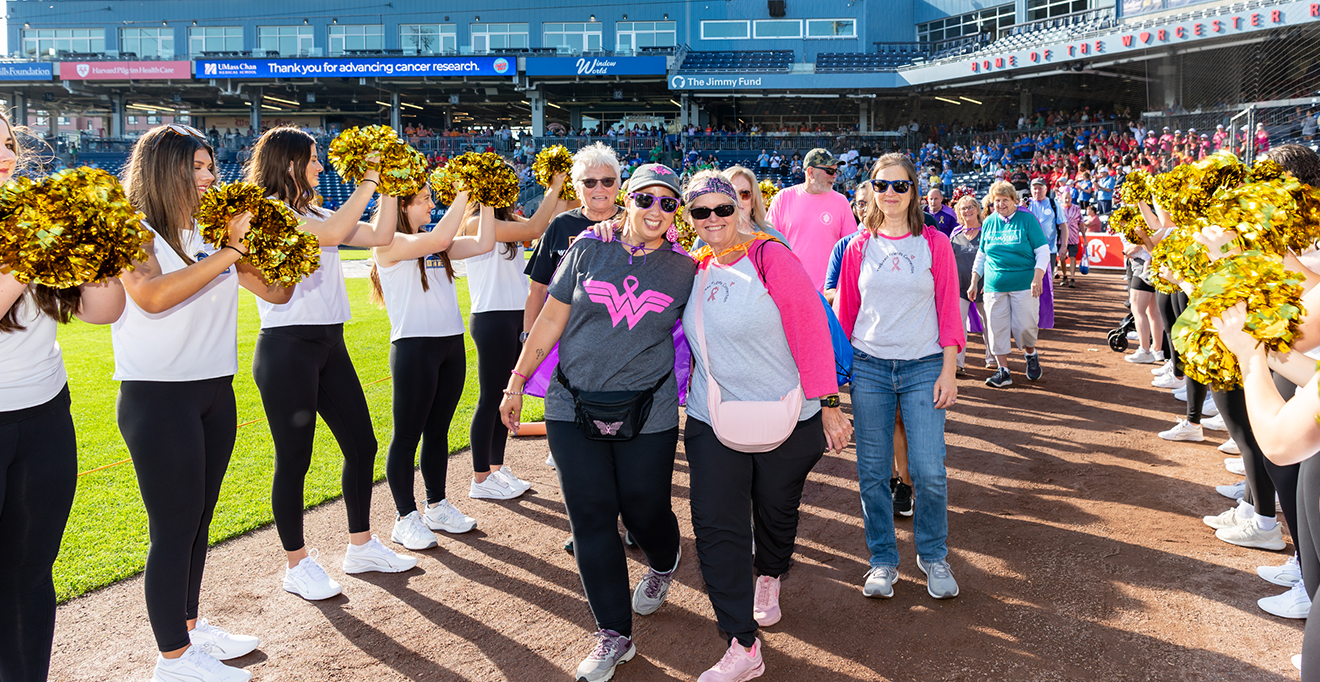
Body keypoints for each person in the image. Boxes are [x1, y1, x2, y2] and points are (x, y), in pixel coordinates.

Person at [499, 164, 695, 682]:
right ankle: (614, 634)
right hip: (572, 403)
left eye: (667, 203)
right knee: (589, 513)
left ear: (676, 212)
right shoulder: (587, 247)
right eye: (646, 199)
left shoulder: (686, 268)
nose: (656, 211)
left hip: (648, 407)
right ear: (626, 201)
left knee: (643, 508)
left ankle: (663, 562)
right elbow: (552, 318)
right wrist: (516, 382)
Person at [116, 124, 294, 681]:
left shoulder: (209, 236)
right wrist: (231, 250)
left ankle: (189, 630)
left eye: (210, 168)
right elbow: (150, 295)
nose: (209, 178)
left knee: (199, 518)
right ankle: (171, 660)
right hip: (157, 396)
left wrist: (264, 247)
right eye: (196, 168)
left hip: (216, 389)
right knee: (173, 524)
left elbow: (278, 292)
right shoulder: (134, 232)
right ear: (164, 172)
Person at [678, 172, 852, 681]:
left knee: (774, 511)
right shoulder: (693, 268)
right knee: (715, 526)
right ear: (688, 218)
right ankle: (741, 644)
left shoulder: (769, 256)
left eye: (722, 209)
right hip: (712, 416)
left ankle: (770, 573)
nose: (713, 220)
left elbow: (810, 327)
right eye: (700, 212)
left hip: (788, 413)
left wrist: (829, 403)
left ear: (740, 209)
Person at [245, 126, 416, 602]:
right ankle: (296, 564)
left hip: (329, 343)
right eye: (313, 159)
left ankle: (360, 545)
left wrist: (388, 184)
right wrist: (368, 178)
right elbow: (335, 234)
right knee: (294, 458)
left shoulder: (316, 209)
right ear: (289, 163)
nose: (320, 167)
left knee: (362, 444)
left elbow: (382, 234)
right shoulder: (266, 212)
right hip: (286, 347)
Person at [0, 114, 126, 682]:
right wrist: (34, 245)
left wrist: (97, 251)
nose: (5, 153)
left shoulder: (35, 218)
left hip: (44, 414)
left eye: (6, 141)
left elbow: (105, 312)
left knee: (29, 572)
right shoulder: (31, 229)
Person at [834, 153, 964, 600]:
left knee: (928, 470)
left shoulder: (935, 243)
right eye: (881, 185)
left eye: (900, 185)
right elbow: (845, 315)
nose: (890, 193)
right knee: (872, 471)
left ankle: (933, 555)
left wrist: (949, 369)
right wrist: (837, 376)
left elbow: (949, 310)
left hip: (924, 366)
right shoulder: (856, 247)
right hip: (868, 368)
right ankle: (883, 561)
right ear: (870, 189)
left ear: (914, 190)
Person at [368, 184, 493, 551]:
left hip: (451, 345)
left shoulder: (434, 241)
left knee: (438, 431)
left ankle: (436, 505)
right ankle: (405, 517)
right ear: (402, 205)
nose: (431, 204)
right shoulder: (389, 243)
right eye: (424, 200)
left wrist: (484, 200)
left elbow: (483, 243)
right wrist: (464, 195)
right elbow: (441, 236)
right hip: (414, 348)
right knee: (407, 436)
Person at [462, 170, 569, 500]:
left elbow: (550, 222)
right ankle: (480, 477)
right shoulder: (476, 222)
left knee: (507, 392)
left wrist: (563, 191)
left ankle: (495, 466)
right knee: (491, 397)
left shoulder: (508, 219)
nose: (510, 188)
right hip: (491, 317)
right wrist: (555, 185)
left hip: (514, 315)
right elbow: (536, 228)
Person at [967, 181, 1048, 388]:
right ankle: (1003, 369)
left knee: (1025, 327)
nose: (1001, 204)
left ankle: (1030, 353)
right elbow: (982, 254)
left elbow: (1042, 251)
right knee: (996, 328)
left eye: (1005, 200)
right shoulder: (989, 222)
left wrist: (1037, 277)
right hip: (994, 284)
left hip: (1024, 283)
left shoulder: (1027, 219)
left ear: (1014, 201)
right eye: (997, 201)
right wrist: (975, 280)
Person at [766, 148, 857, 291]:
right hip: (790, 291)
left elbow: (850, 250)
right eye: (829, 171)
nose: (834, 176)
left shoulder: (841, 202)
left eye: (836, 171)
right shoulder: (783, 198)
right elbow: (768, 246)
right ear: (810, 172)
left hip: (829, 295)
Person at [949, 195, 992, 373]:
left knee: (989, 324)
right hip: (960, 288)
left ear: (977, 209)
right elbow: (950, 263)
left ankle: (993, 359)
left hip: (984, 287)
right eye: (963, 208)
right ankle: (958, 364)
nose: (967, 211)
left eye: (970, 207)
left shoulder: (986, 233)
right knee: (958, 326)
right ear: (959, 212)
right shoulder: (955, 235)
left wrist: (987, 283)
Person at [1057, 189, 1083, 288]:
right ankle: (1064, 276)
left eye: (1068, 198)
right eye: (1065, 198)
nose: (1067, 200)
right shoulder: (1059, 209)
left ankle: (1072, 278)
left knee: (1073, 258)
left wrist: (1084, 237)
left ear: (1071, 198)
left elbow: (1081, 223)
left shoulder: (1077, 208)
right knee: (1061, 258)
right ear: (1062, 199)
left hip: (1074, 237)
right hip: (1061, 238)